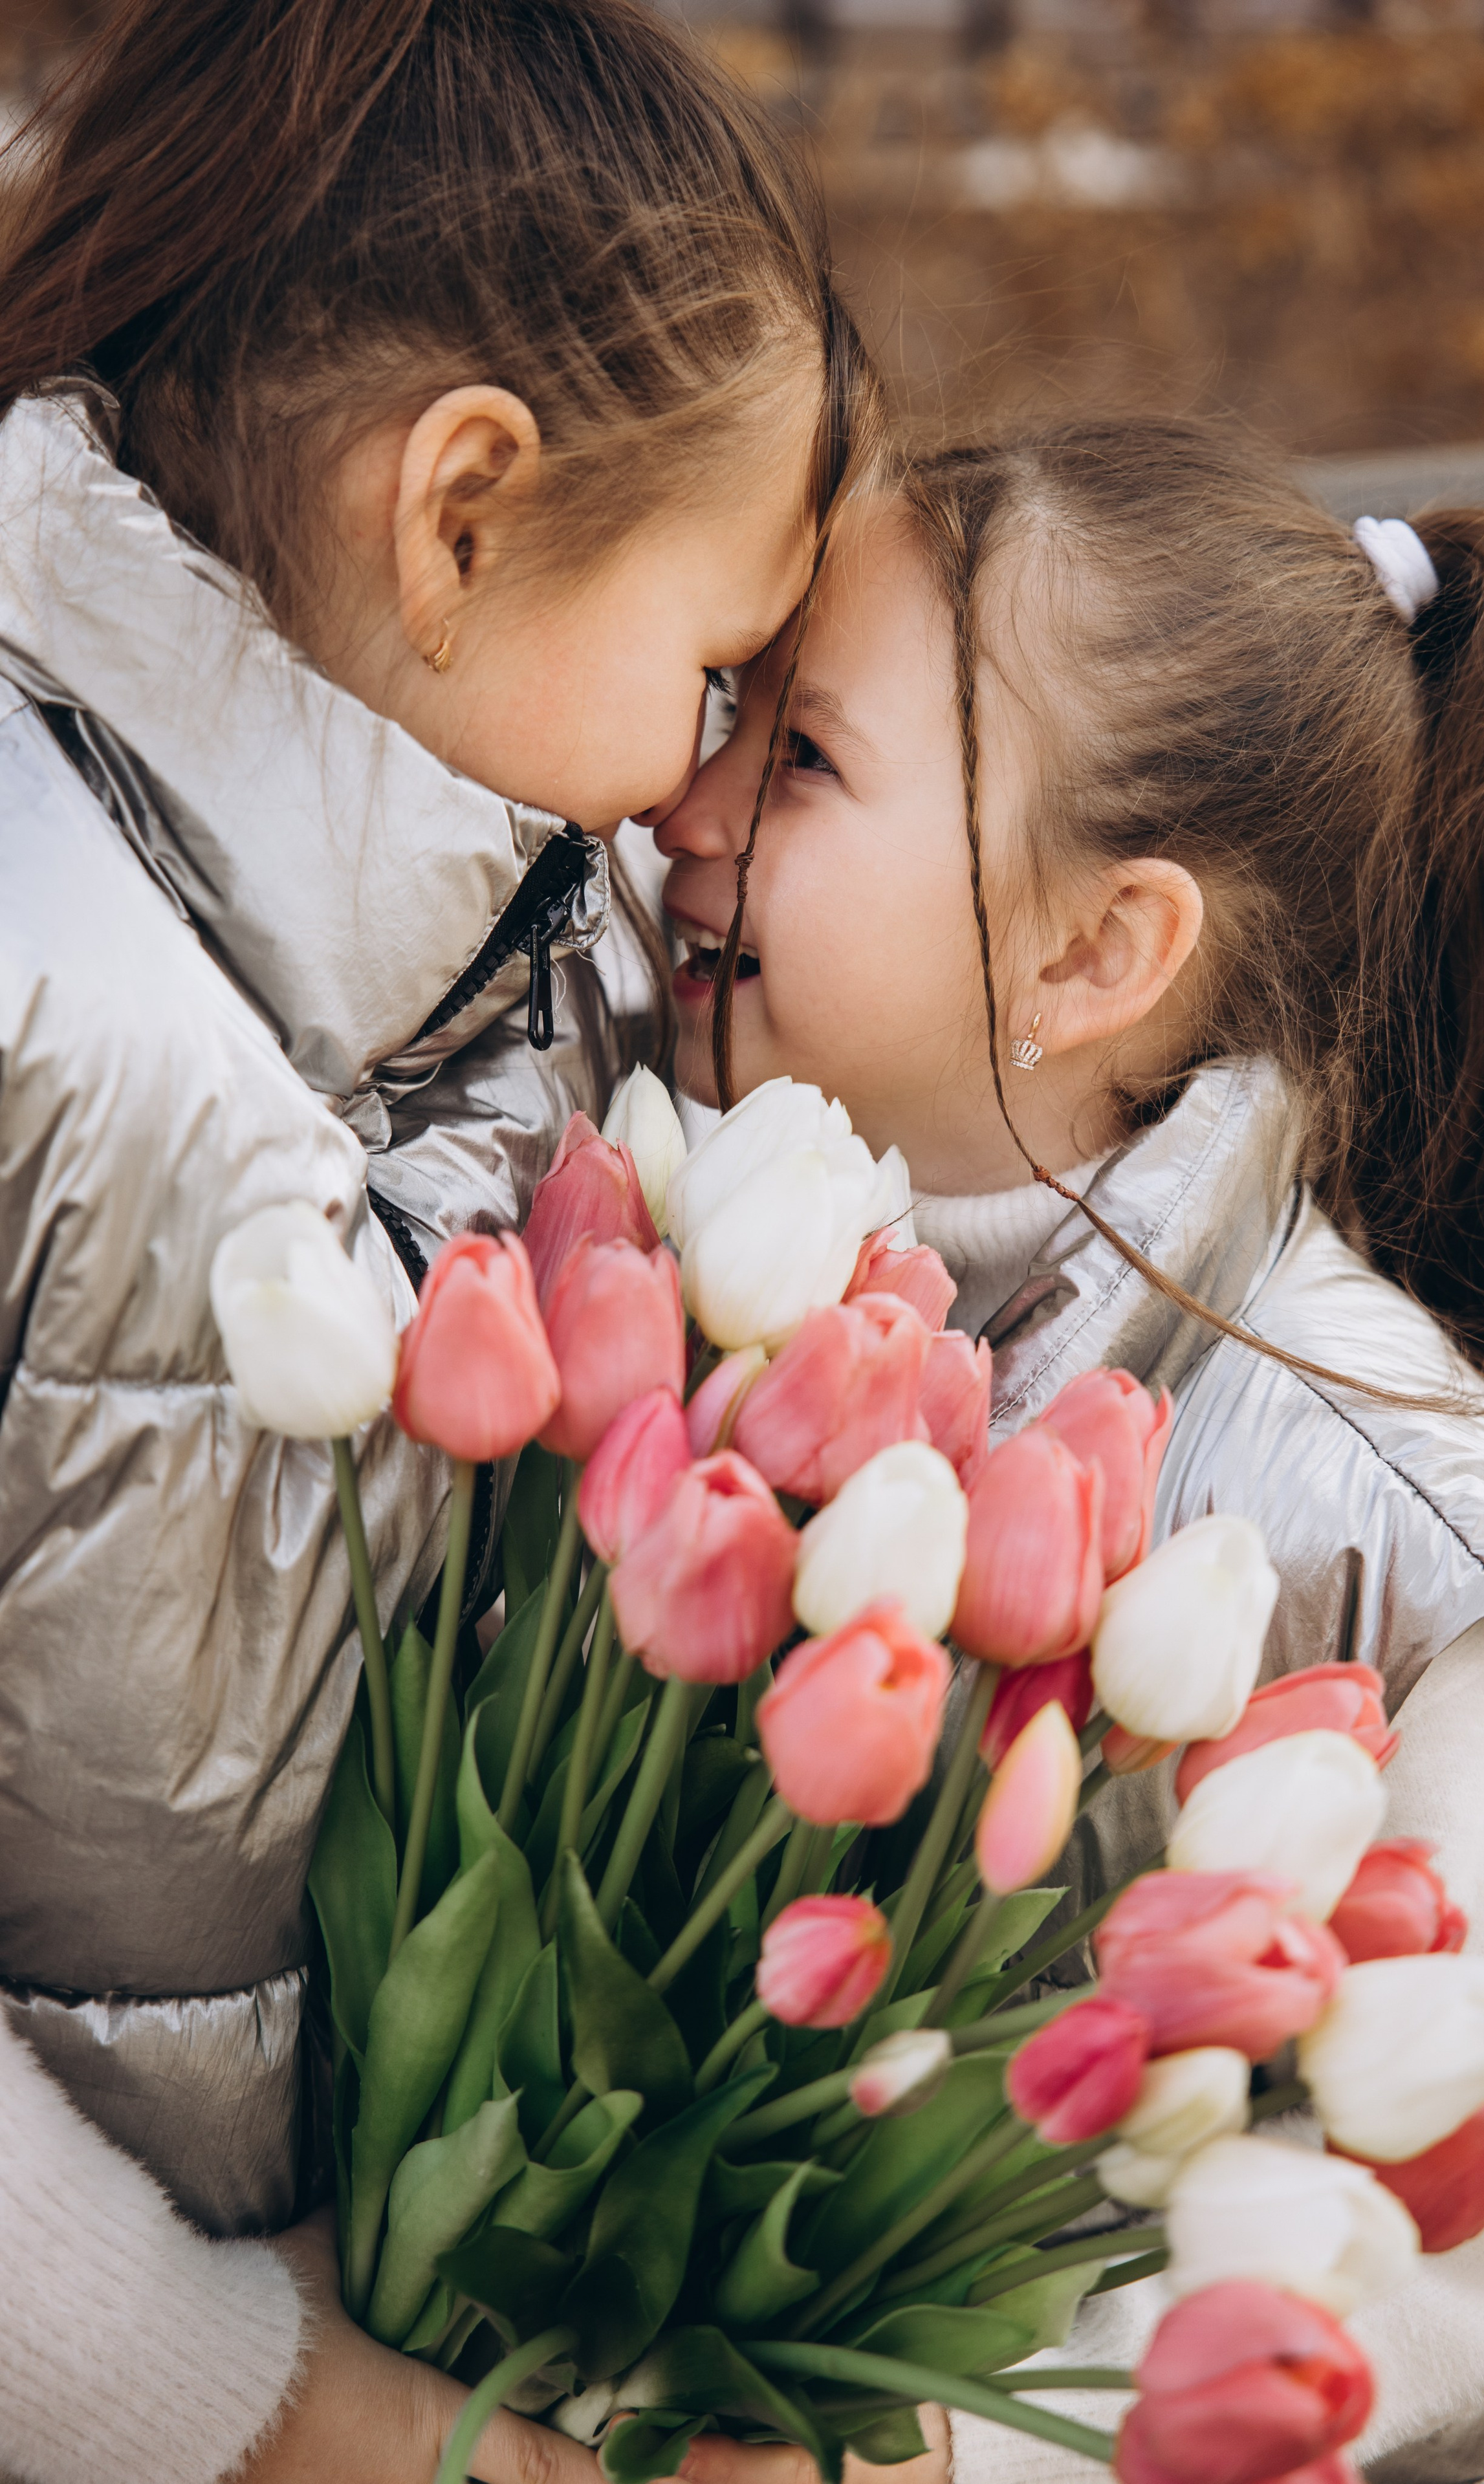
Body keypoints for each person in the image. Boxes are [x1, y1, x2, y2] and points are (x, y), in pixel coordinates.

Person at [0, 0, 882, 2476]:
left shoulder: (489, 969)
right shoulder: (56, 983)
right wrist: (286, 2420)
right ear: (462, 510)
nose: (713, 786)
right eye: (718, 672)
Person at [654, 424, 1484, 2484]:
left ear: (1099, 954)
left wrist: (951, 2450)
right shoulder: (715, 1261)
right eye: (728, 706)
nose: (693, 799)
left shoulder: (1375, 1509)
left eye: (806, 756)